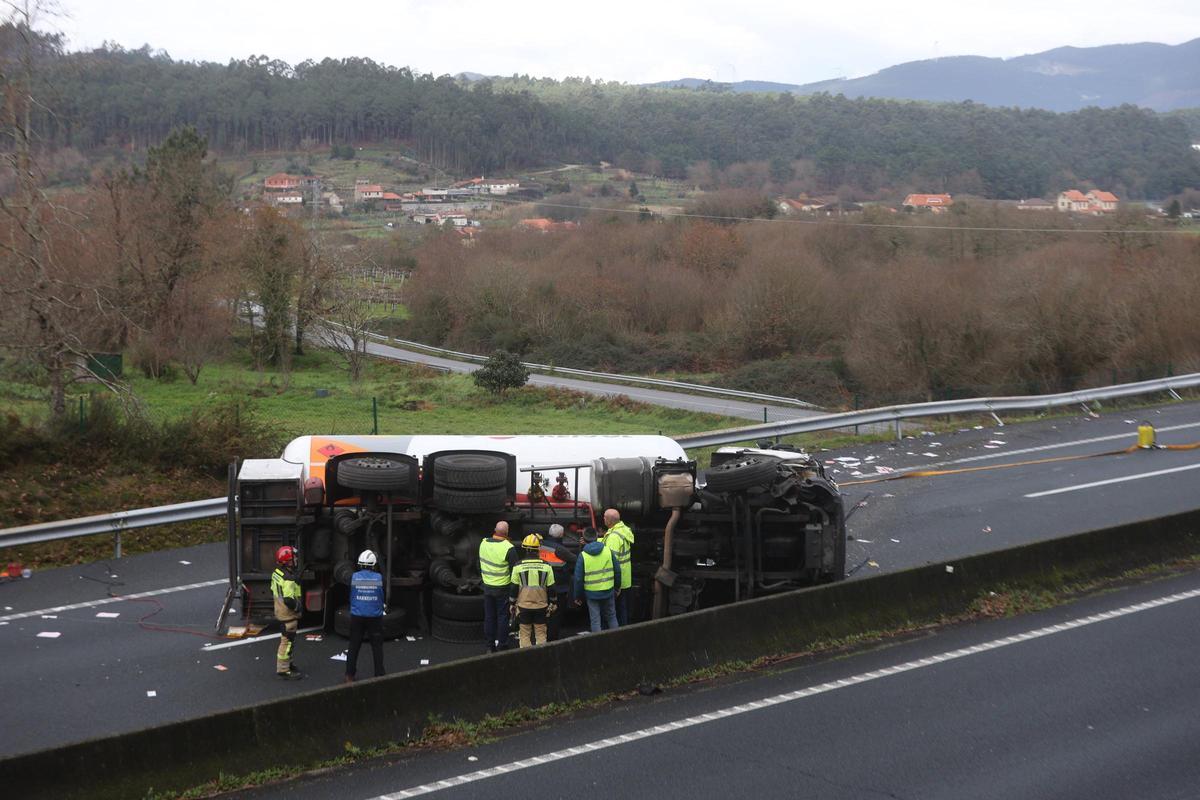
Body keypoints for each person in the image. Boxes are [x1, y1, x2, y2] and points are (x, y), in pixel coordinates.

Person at [345, 549, 385, 683]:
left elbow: (352, 596)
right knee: (377, 646)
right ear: (373, 564)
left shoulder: (354, 577)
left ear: (360, 564)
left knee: (354, 645)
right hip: (374, 617)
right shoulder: (379, 578)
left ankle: (349, 675)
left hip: (357, 616)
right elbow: (381, 597)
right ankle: (380, 675)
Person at [479, 521, 520, 652]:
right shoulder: (509, 548)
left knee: (489, 617)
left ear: (495, 530)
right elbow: (515, 570)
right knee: (503, 616)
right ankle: (502, 644)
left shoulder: (483, 543)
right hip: (503, 587)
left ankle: (489, 646)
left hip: (487, 586)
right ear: (507, 533)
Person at [511, 534, 556, 648]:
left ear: (525, 549)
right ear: (538, 549)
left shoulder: (517, 566)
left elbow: (514, 588)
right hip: (541, 606)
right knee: (541, 634)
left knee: (525, 634)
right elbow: (551, 588)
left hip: (523, 606)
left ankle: (526, 660)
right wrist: (553, 602)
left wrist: (512, 603)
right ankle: (541, 658)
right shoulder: (547, 566)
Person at [573, 527, 619, 632]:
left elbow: (578, 578)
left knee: (595, 620)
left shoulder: (583, 555)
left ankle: (598, 645)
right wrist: (617, 587)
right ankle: (617, 640)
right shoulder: (608, 551)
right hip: (608, 590)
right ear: (597, 536)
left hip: (592, 593)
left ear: (584, 539)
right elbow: (617, 570)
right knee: (612, 616)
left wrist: (577, 596)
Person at [271, 545, 304, 680]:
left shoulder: (277, 573)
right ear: (288, 561)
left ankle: (288, 664)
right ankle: (284, 669)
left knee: (288, 641)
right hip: (288, 614)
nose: (296, 560)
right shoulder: (288, 579)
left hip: (279, 611)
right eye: (294, 558)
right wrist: (298, 607)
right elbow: (289, 600)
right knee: (287, 641)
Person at [539, 523, 577, 641]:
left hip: (542, 585)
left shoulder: (541, 545)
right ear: (561, 535)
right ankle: (552, 639)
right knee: (556, 614)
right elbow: (575, 559)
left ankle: (541, 636)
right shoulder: (560, 549)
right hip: (558, 587)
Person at [602, 508, 635, 625]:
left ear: (610, 521)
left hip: (617, 580)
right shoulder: (623, 530)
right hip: (625, 577)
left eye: (605, 517)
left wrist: (616, 584)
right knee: (622, 608)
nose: (603, 519)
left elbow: (612, 561)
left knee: (614, 610)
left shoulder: (613, 538)